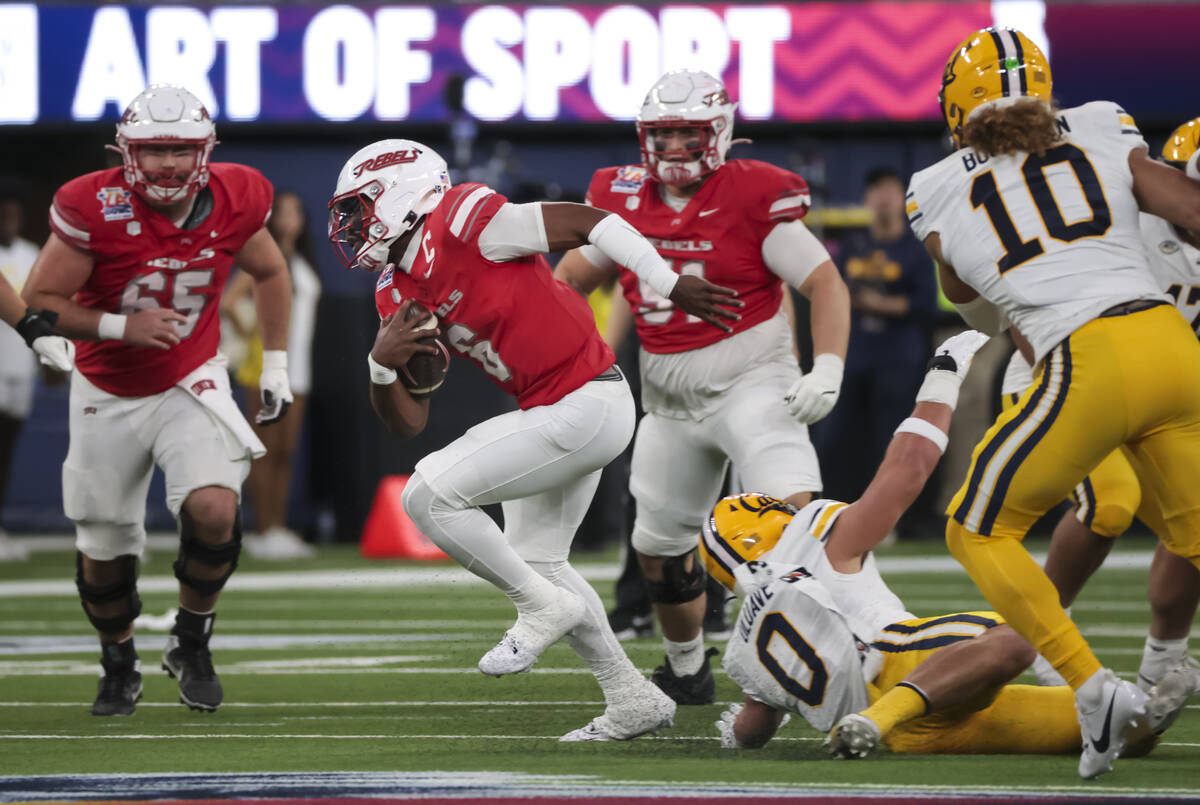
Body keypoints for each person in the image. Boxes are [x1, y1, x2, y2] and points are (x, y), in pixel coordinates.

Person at [328, 138, 739, 741]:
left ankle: (538, 605)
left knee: (427, 496)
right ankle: (631, 698)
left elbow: (593, 221)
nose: (354, 227)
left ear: (401, 194)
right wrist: (381, 367)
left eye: (361, 210)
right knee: (541, 563)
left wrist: (666, 281)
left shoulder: (464, 218)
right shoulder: (396, 289)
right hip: (556, 411)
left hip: (587, 400)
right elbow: (407, 422)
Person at [906, 28, 1200, 777]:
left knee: (976, 525)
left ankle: (1091, 684)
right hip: (1173, 346)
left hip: (1088, 357)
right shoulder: (1103, 120)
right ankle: (1147, 666)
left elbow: (965, 291)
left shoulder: (932, 188)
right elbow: (1184, 206)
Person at [700, 332, 1184, 756]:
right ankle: (880, 717)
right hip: (903, 663)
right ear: (764, 521)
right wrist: (943, 377)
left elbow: (753, 727)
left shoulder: (745, 640)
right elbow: (908, 469)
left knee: (1130, 731)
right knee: (1024, 629)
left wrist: (736, 738)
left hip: (915, 734)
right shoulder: (814, 534)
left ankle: (1135, 706)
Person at [554, 69, 850, 706]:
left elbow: (824, 282)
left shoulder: (753, 193)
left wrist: (826, 367)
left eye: (688, 134)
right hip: (669, 397)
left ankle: (836, 652)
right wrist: (567, 344)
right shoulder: (621, 196)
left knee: (791, 522)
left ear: (719, 133)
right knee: (658, 550)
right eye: (663, 135)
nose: (675, 149)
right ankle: (687, 669)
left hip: (753, 377)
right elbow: (571, 275)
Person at [21, 84, 293, 717]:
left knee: (215, 508)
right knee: (105, 545)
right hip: (107, 385)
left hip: (189, 376)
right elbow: (42, 304)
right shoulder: (92, 203)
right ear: (126, 152)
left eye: (180, 148)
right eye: (154, 149)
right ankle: (118, 661)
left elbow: (272, 271)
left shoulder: (238, 193)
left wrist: (275, 363)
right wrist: (121, 327)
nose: (168, 163)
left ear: (206, 150)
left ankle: (191, 639)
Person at [999, 119, 1200, 699]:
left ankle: (1166, 657)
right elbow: (1027, 301)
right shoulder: (1119, 220)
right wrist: (1063, 373)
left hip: (1162, 393)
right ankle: (1038, 636)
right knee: (1109, 504)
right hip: (1066, 376)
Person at [815, 168, 937, 502]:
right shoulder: (852, 244)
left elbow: (925, 304)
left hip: (899, 357)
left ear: (903, 199)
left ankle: (895, 512)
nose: (883, 200)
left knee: (893, 437)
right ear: (867, 198)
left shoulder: (917, 248)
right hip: (854, 355)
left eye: (890, 191)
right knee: (836, 436)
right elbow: (832, 292)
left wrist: (877, 303)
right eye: (876, 192)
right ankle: (827, 505)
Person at [222, 190, 323, 559]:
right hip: (266, 366)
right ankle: (263, 530)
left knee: (285, 451)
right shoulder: (265, 257)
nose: (290, 218)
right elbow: (229, 301)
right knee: (264, 450)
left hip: (300, 369)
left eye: (297, 211)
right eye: (283, 211)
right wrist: (251, 333)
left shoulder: (302, 261)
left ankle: (277, 528)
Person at [1, 192, 74, 559]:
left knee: (6, 447)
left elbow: (39, 305)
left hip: (17, 364)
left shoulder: (31, 253)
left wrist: (46, 353)